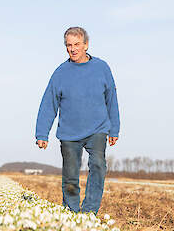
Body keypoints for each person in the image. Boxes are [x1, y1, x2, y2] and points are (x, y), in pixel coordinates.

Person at [35, 27, 120, 214]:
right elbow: (49, 103)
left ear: (86, 45)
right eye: (69, 45)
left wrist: (114, 129)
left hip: (97, 128)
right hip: (69, 133)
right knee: (70, 176)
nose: (72, 49)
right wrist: (42, 133)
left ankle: (89, 212)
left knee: (98, 165)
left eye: (76, 45)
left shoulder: (102, 68)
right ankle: (72, 213)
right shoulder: (61, 72)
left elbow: (111, 99)